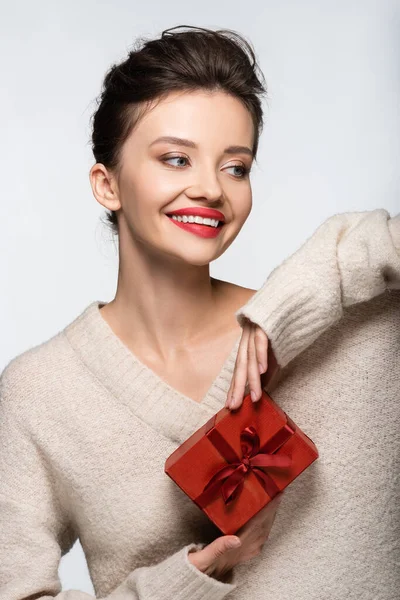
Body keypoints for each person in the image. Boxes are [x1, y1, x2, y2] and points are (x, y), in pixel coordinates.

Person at [0, 25, 399, 600]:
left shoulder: (349, 329)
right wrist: (191, 578)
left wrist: (294, 301)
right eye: (176, 159)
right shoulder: (40, 391)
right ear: (106, 185)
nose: (211, 188)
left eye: (235, 167)